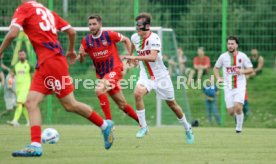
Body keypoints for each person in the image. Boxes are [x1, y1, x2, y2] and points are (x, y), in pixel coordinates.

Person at [0, 0, 113, 157]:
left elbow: (13, 33)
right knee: (31, 102)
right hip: (46, 64)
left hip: (52, 62)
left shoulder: (24, 8)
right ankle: (35, 145)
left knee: (70, 105)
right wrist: (71, 50)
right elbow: (71, 31)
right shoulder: (47, 12)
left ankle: (104, 125)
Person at [124, 13, 194, 144]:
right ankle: (143, 127)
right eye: (136, 26)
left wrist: (135, 58)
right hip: (145, 76)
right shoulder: (135, 37)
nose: (137, 29)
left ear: (147, 26)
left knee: (173, 105)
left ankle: (187, 128)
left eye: (140, 26)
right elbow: (133, 47)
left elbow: (152, 57)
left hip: (161, 77)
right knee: (137, 93)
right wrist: (131, 56)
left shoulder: (154, 38)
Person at [78, 15, 139, 124]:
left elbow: (126, 40)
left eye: (94, 24)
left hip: (114, 70)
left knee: (99, 89)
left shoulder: (109, 35)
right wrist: (81, 56)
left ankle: (109, 123)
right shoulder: (86, 40)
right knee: (122, 105)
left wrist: (131, 56)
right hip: (103, 75)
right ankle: (142, 122)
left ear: (100, 25)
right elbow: (81, 60)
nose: (91, 27)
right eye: (90, 24)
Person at [213, 36, 253, 133]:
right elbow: (216, 68)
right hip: (228, 87)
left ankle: (238, 129)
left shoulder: (242, 56)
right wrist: (218, 78)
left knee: (238, 107)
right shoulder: (223, 57)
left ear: (236, 45)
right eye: (229, 44)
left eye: (232, 44)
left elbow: (250, 69)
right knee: (231, 112)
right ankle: (238, 115)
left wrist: (242, 71)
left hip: (240, 86)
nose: (230, 46)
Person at [7, 50, 32, 127]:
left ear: (26, 55)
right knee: (23, 105)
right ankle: (29, 121)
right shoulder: (16, 65)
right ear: (18, 56)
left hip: (26, 88)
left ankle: (15, 120)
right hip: (18, 89)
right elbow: (11, 75)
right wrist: (10, 84)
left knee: (19, 103)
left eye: (23, 54)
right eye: (20, 55)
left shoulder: (29, 65)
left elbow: (34, 76)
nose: (21, 56)